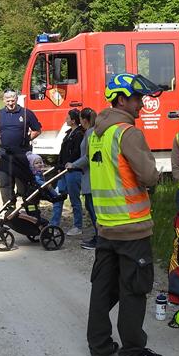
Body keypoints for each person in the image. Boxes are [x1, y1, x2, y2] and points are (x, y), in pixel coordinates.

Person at [86, 73, 164, 356]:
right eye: (136, 99)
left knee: (102, 288)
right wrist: (155, 178)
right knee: (133, 289)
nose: (141, 105)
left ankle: (100, 345)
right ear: (121, 99)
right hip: (132, 228)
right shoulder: (128, 133)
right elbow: (147, 175)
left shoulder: (97, 132)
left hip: (106, 226)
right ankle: (132, 353)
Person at [0, 89, 42, 203]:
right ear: (4, 100)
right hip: (4, 154)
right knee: (5, 183)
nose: (11, 103)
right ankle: (9, 212)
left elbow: (37, 130)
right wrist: (2, 140)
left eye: (13, 100)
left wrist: (26, 140)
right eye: (8, 101)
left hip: (22, 154)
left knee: (24, 184)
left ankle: (29, 212)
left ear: (17, 99)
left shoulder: (27, 113)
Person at [67, 107, 98, 250]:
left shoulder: (90, 133)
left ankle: (99, 237)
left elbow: (88, 156)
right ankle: (99, 236)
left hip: (90, 175)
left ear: (84, 120)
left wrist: (73, 164)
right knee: (90, 206)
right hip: (90, 174)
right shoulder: (91, 132)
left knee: (92, 207)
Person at [51, 109, 85, 237]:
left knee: (74, 199)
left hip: (73, 171)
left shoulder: (79, 135)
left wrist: (71, 163)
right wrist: (59, 165)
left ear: (73, 120)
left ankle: (78, 226)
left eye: (67, 117)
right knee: (58, 197)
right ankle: (54, 223)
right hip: (63, 171)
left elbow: (77, 153)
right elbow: (62, 152)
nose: (65, 119)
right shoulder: (67, 134)